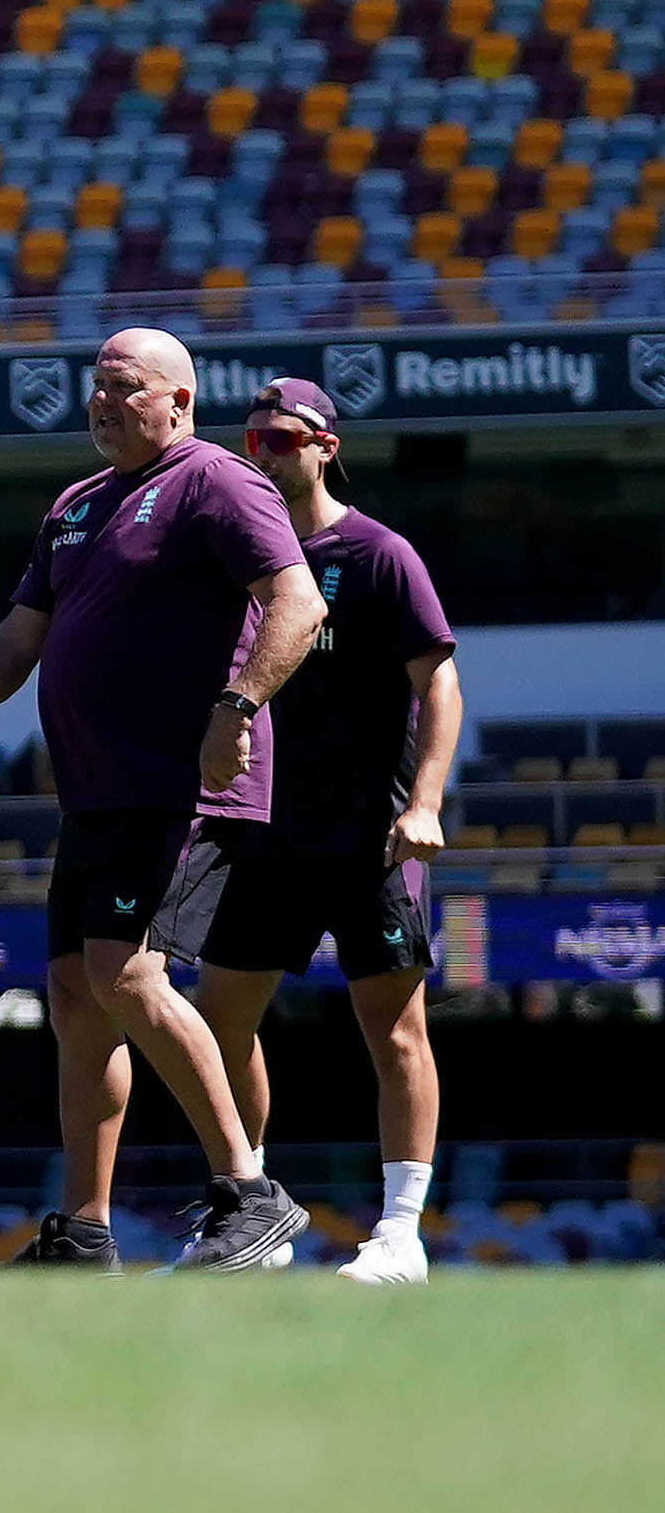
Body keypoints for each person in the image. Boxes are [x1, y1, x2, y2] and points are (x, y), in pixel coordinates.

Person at [0, 326, 324, 1271]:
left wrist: (238, 705)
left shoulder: (214, 480)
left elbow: (299, 601)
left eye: (124, 386)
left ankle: (249, 1194)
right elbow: (20, 639)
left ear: (178, 401)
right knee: (73, 994)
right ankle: (84, 1232)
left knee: (124, 974)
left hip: (180, 788)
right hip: (94, 795)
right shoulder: (75, 504)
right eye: (93, 385)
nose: (100, 400)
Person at [197, 378, 459, 1286]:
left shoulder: (379, 554)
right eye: (252, 440)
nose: (262, 453)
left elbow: (440, 684)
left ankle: (399, 1233)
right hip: (261, 833)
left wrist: (422, 802)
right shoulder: (234, 563)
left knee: (391, 1030)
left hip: (367, 838)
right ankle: (253, 1216)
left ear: (323, 445)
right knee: (217, 1019)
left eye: (280, 439)